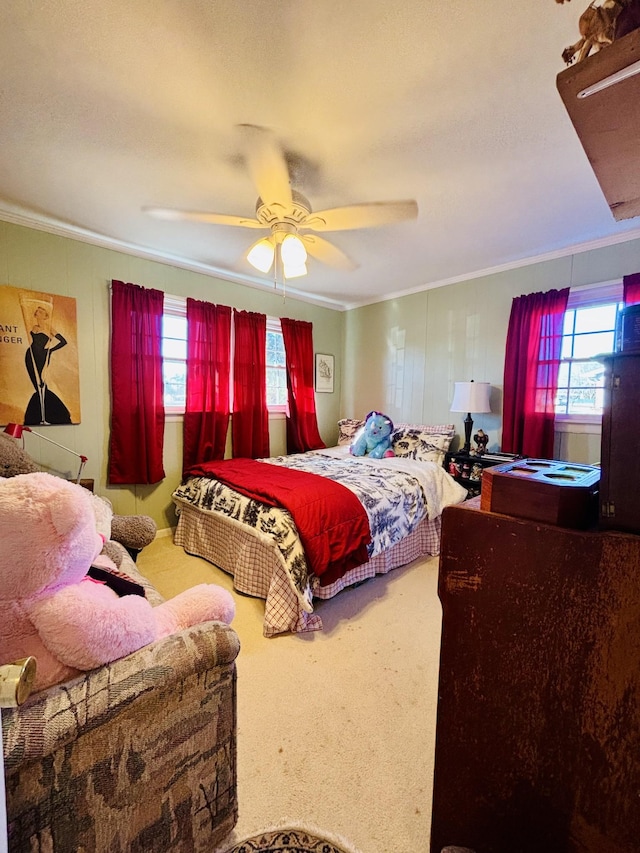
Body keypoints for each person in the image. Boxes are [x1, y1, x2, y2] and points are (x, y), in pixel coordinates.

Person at [24, 306, 72, 424]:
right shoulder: (34, 327)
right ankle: (41, 416)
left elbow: (63, 341)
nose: (38, 313)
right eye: (38, 311)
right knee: (36, 385)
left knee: (41, 384)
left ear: (45, 316)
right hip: (30, 356)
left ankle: (51, 414)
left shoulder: (49, 328)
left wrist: (50, 351)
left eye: (41, 312)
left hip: (42, 356)